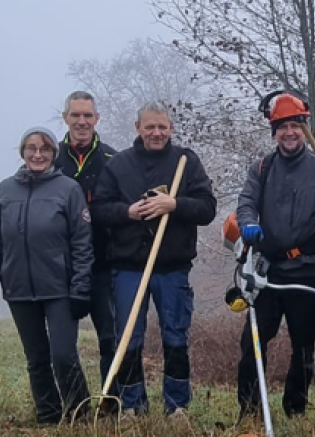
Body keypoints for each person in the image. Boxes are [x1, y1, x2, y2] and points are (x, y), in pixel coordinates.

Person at [92, 101, 218, 418]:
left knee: (176, 336)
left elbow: (207, 208)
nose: (157, 132)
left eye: (162, 126)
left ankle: (177, 408)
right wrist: (128, 212)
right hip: (129, 268)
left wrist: (173, 204)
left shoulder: (186, 162)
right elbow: (98, 211)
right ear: (138, 129)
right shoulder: (119, 165)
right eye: (150, 127)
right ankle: (133, 406)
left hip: (172, 268)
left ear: (170, 128)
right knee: (129, 338)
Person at [234, 90, 315, 421]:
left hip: (309, 271)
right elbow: (246, 202)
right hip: (269, 271)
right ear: (274, 131)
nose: (289, 132)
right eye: (282, 126)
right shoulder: (262, 168)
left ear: (304, 128)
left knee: (303, 345)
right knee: (252, 342)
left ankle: (295, 408)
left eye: (295, 125)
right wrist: (248, 223)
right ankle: (251, 410)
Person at [0, 126, 93, 424]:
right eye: (31, 148)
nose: (38, 154)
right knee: (37, 359)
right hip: (18, 288)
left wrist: (81, 286)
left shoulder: (68, 189)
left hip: (60, 289)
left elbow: (82, 241)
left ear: (53, 154)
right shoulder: (3, 191)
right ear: (23, 152)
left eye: (44, 148)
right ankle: (48, 415)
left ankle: (80, 415)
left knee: (64, 356)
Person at [54, 91, 120, 412]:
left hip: (105, 267)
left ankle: (110, 401)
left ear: (97, 119)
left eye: (88, 116)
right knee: (64, 345)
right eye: (75, 115)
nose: (82, 122)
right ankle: (75, 404)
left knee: (111, 339)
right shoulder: (49, 160)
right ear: (65, 118)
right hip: (61, 268)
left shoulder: (113, 160)